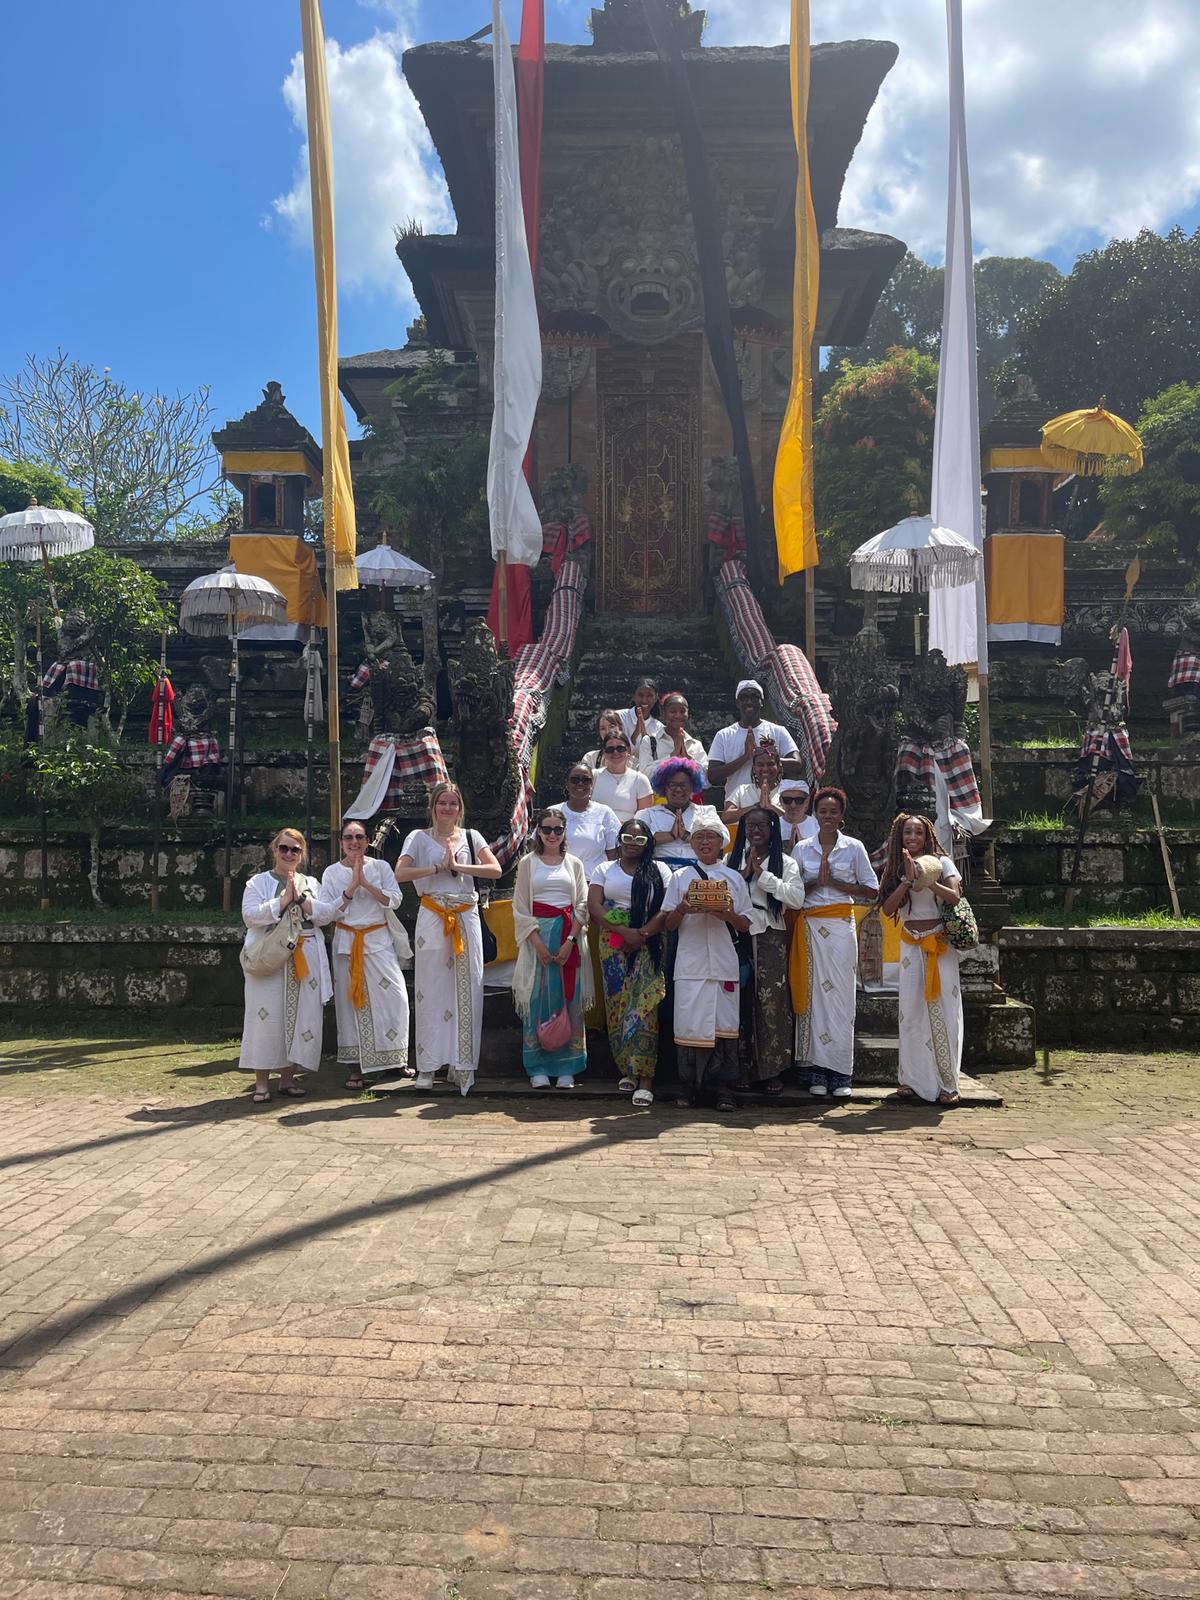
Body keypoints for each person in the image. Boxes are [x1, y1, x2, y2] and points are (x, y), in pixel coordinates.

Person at [394, 781, 501, 1094]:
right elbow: (400, 873)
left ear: (460, 808)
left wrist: (457, 865)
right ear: (433, 806)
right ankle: (428, 1065)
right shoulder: (419, 838)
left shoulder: (471, 837)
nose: (448, 809)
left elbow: (494, 869)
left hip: (465, 915)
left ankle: (463, 1064)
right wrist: (435, 868)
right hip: (433, 913)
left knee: (468, 988)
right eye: (443, 803)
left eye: (453, 804)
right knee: (430, 988)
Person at [791, 786, 879, 1098]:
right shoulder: (802, 849)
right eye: (823, 811)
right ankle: (816, 1071)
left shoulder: (853, 848)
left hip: (841, 926)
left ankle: (841, 1073)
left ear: (842, 816)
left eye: (833, 811)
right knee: (815, 998)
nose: (828, 816)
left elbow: (872, 890)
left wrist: (838, 884)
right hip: (811, 926)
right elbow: (791, 892)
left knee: (842, 997)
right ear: (815, 814)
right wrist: (816, 883)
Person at [662, 808, 752, 1111]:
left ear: (722, 841)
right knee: (689, 1026)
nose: (704, 842)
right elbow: (668, 925)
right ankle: (688, 1088)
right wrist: (683, 910)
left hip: (724, 962)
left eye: (711, 837)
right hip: (691, 963)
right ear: (692, 842)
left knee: (724, 1027)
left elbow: (746, 924)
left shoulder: (734, 879)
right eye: (699, 836)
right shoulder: (680, 878)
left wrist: (727, 914)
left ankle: (723, 1089)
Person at [239, 828, 336, 1104]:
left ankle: (287, 1079)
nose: (289, 854)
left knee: (301, 1016)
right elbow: (249, 916)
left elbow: (326, 914)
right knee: (266, 1017)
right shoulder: (258, 883)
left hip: (305, 954)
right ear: (275, 850)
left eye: (295, 849)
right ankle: (261, 1083)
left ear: (302, 853)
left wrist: (302, 900)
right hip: (270, 955)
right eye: (284, 848)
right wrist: (282, 901)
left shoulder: (312, 883)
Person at [878, 812, 963, 1107]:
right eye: (907, 833)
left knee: (943, 1012)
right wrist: (906, 881)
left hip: (938, 945)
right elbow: (888, 910)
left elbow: (954, 897)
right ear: (899, 838)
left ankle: (947, 1082)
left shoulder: (943, 862)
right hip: (911, 946)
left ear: (927, 836)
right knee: (911, 1012)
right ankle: (912, 1081)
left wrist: (926, 880)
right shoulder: (896, 868)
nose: (912, 838)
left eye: (917, 833)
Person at [318, 820, 410, 1091]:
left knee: (395, 997)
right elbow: (327, 912)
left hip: (378, 940)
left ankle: (395, 1058)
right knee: (351, 1004)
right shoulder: (331, 873)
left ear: (368, 840)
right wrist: (350, 888)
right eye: (349, 837)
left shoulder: (380, 867)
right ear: (341, 842)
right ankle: (355, 1067)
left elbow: (395, 899)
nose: (354, 842)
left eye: (359, 837)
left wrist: (366, 884)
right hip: (347, 941)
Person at [587, 818, 671, 1108]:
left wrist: (642, 933)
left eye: (640, 839)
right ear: (619, 839)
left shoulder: (660, 871)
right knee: (617, 1005)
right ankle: (628, 1070)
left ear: (648, 842)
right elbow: (595, 906)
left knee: (644, 1007)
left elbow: (666, 907)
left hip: (649, 941)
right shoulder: (603, 869)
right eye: (627, 837)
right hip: (613, 942)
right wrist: (623, 932)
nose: (632, 844)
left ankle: (646, 1078)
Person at [728, 807, 804, 1097]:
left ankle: (773, 1070)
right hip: (739, 933)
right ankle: (743, 1068)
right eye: (750, 826)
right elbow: (725, 896)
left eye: (762, 825)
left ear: (773, 829)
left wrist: (763, 877)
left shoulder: (785, 862)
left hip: (771, 933)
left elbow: (796, 899)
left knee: (772, 1000)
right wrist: (743, 875)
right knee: (741, 999)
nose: (756, 831)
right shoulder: (731, 860)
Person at [513, 808, 591, 1088]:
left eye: (558, 829)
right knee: (537, 998)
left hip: (568, 935)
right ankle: (537, 1067)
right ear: (538, 831)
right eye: (547, 829)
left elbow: (582, 904)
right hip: (538, 935)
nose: (553, 835)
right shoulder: (527, 864)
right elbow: (520, 907)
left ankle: (567, 1065)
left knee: (568, 998)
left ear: (565, 831)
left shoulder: (574, 864)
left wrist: (570, 941)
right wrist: (536, 943)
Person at [561, 763, 620, 1026]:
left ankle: (596, 1020)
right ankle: (565, 1018)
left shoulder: (604, 814)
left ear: (592, 784)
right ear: (567, 783)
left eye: (586, 779)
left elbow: (613, 855)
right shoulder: (555, 813)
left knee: (594, 955)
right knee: (566, 954)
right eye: (575, 779)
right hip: (562, 893)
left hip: (595, 891)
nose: (580, 784)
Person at [706, 680, 803, 797]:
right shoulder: (723, 735)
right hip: (737, 804)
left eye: (754, 697)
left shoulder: (778, 731)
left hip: (773, 802)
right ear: (737, 702)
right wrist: (746, 757)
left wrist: (765, 757)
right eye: (744, 697)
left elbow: (797, 765)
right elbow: (712, 775)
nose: (749, 701)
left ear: (762, 702)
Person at [650, 757, 705, 870]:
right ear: (664, 787)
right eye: (673, 785)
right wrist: (671, 835)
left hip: (697, 871)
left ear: (693, 787)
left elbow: (723, 839)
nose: (678, 790)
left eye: (684, 785)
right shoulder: (648, 814)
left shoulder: (706, 812)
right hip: (659, 870)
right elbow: (638, 841)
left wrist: (686, 836)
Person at [637, 691, 706, 780]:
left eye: (682, 711)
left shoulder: (695, 745)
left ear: (688, 715)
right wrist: (672, 757)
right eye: (673, 711)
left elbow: (707, 781)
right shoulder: (649, 742)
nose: (678, 716)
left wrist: (689, 760)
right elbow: (643, 776)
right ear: (663, 714)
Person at [592, 730, 654, 822]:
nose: (615, 752)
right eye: (610, 749)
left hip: (627, 833)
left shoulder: (640, 780)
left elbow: (644, 818)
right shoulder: (593, 776)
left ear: (628, 750)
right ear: (604, 753)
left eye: (620, 748)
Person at [722, 741, 784, 830]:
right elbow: (726, 817)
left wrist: (771, 807)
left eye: (770, 764)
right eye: (760, 765)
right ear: (754, 768)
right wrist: (756, 807)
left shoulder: (787, 790)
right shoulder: (742, 790)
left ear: (778, 767)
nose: (765, 769)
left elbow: (795, 819)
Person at [619, 679, 666, 755]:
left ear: (656, 698)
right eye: (640, 695)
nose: (644, 700)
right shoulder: (619, 717)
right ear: (634, 697)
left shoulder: (659, 728)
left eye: (649, 696)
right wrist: (636, 732)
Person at [780, 779, 817, 851]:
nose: (793, 805)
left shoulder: (817, 826)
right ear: (781, 801)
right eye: (787, 800)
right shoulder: (773, 826)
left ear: (807, 802)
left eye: (799, 800)